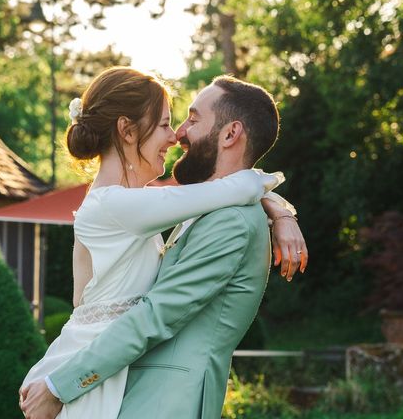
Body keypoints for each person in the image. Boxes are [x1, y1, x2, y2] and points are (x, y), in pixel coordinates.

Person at [20, 68, 306, 419]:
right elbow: (231, 189)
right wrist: (278, 208)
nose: (178, 135)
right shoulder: (127, 205)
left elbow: (156, 315)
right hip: (104, 375)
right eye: (167, 124)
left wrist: (278, 210)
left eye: (191, 120)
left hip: (163, 398)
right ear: (127, 131)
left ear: (232, 133)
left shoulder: (226, 219)